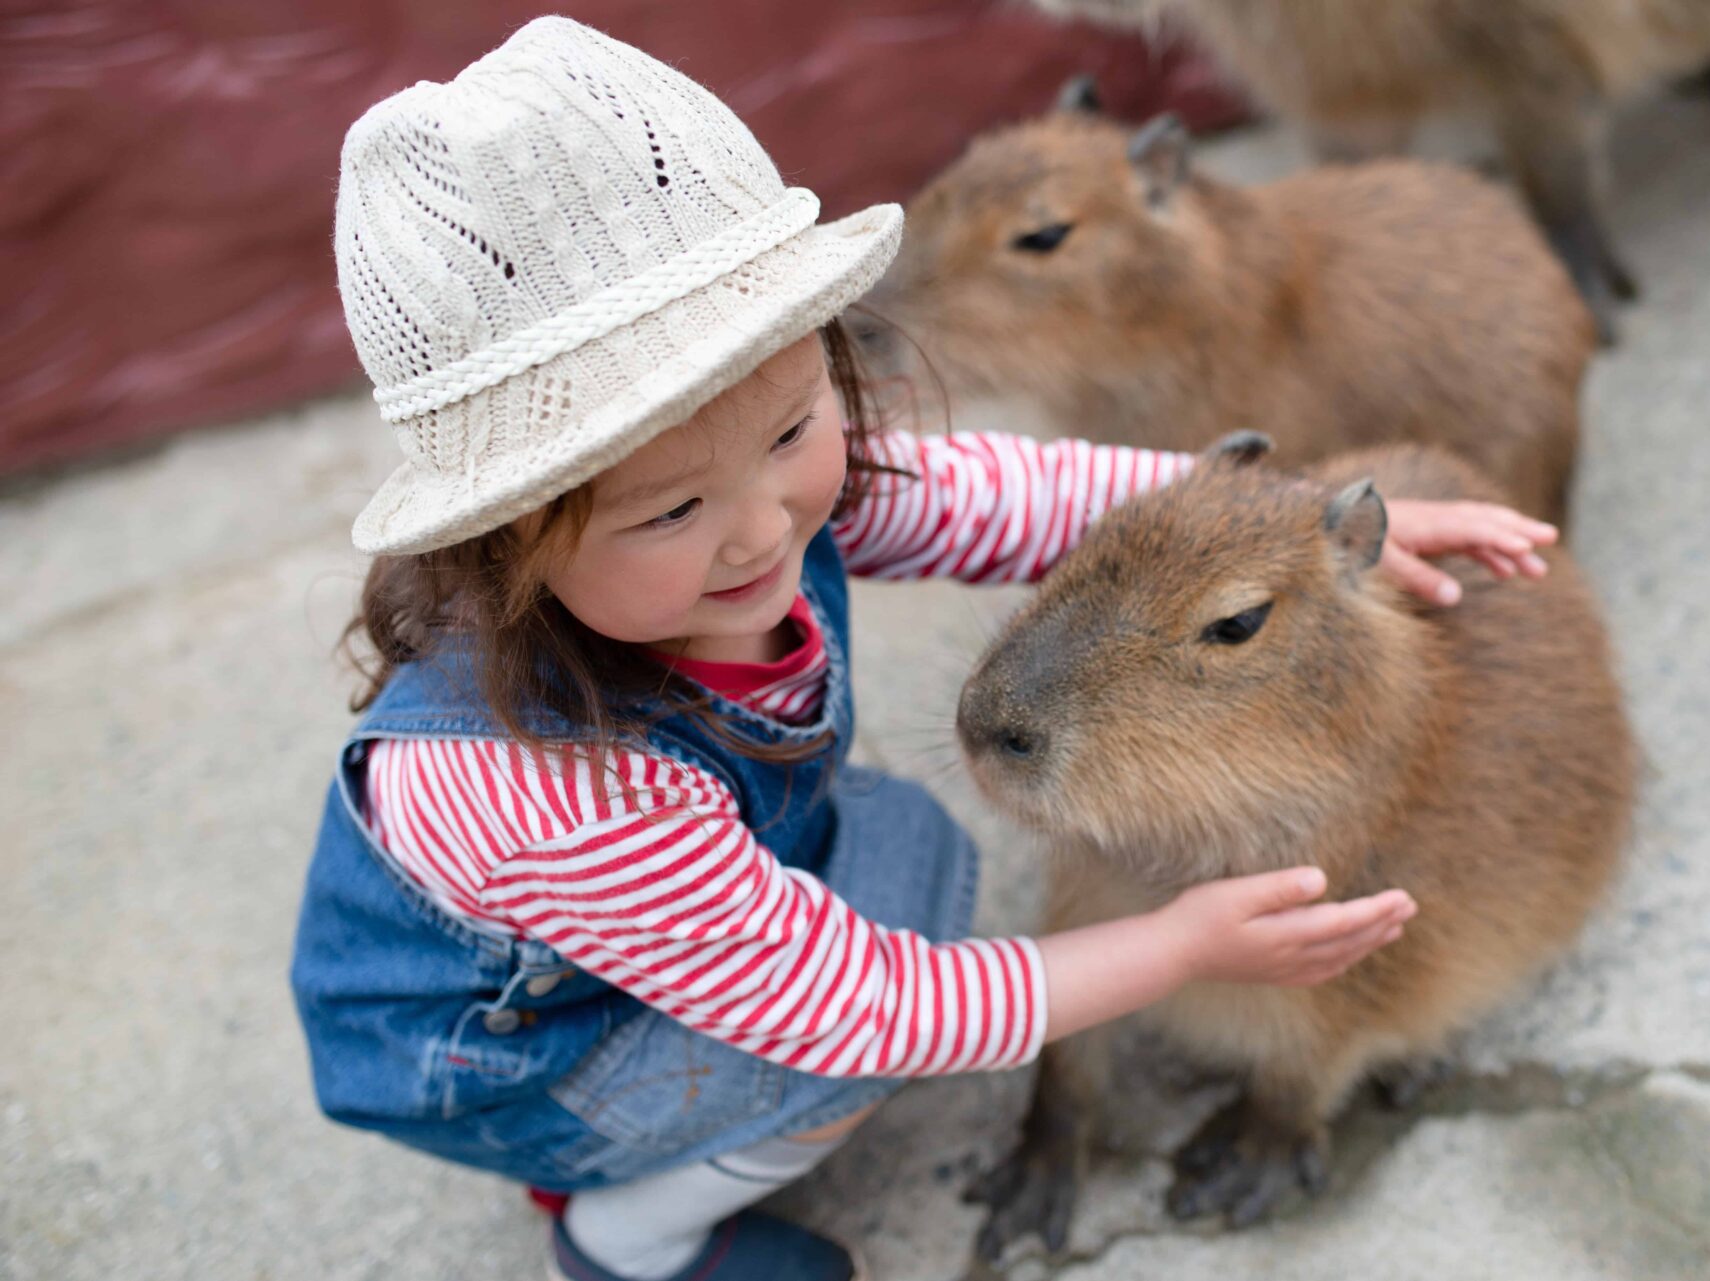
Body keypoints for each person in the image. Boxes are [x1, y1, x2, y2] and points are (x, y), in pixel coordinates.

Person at [290, 18, 1558, 1281]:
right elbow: (857, 1011)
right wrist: (1177, 951)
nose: (762, 526)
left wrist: (1276, 524)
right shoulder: (561, 793)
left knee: (916, 852)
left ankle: (652, 1106)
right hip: (512, 1060)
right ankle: (630, 1232)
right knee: (864, 1036)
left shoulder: (742, 507)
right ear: (510, 543)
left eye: (795, 427)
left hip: (629, 930)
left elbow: (995, 494)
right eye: (672, 510)